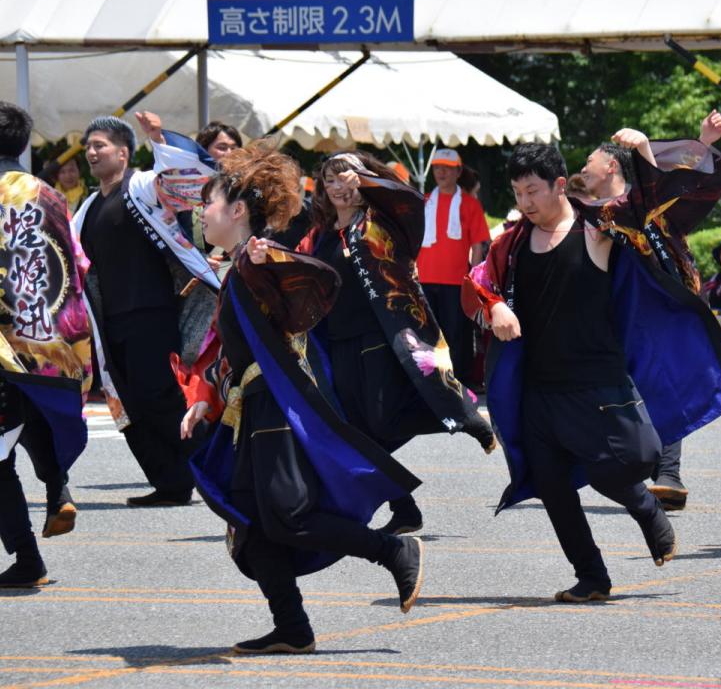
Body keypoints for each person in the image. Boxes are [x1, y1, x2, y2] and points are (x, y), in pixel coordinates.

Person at [176, 142, 424, 654]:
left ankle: (391, 549)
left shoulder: (259, 261)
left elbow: (316, 283)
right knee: (251, 524)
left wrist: (274, 259)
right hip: (250, 408)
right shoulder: (239, 267)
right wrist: (206, 398)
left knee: (287, 516)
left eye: (209, 202)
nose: (202, 212)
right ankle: (292, 628)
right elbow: (233, 348)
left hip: (276, 406)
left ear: (237, 211)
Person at [462, 140, 721, 602]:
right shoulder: (511, 243)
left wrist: (644, 150)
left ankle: (646, 507)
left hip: (599, 380)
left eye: (532, 191)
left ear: (559, 185)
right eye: (517, 193)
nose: (525, 203)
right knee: (551, 484)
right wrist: (495, 308)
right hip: (540, 386)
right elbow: (477, 282)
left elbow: (649, 206)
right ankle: (591, 576)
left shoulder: (597, 228)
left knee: (630, 461)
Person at [297, 153, 496, 536]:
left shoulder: (380, 221)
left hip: (379, 336)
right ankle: (404, 508)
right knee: (355, 432)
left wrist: (367, 183)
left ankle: (461, 414)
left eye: (345, 177)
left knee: (382, 422)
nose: (337, 187)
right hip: (337, 341)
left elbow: (409, 201)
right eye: (330, 180)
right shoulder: (319, 233)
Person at [576, 109, 721, 510]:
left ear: (612, 164)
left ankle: (668, 474)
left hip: (662, 301)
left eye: (589, 160)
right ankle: (650, 471)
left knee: (664, 381)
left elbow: (666, 189)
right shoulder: (588, 211)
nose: (583, 167)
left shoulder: (640, 201)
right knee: (628, 386)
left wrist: (694, 143)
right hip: (615, 308)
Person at [0, 102, 92, 588]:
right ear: (23, 143)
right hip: (50, 339)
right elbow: (78, 263)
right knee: (39, 416)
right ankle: (58, 487)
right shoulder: (52, 197)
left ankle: (27, 560)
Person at [74, 113, 219, 506]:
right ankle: (171, 482)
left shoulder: (143, 187)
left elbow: (189, 179)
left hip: (151, 311)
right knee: (129, 404)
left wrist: (158, 138)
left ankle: (221, 465)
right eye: (88, 147)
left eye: (99, 145)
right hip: (109, 320)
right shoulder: (87, 209)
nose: (91, 152)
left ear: (123, 153)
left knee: (160, 396)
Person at [416, 148, 491, 384]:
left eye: (447, 168)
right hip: (424, 279)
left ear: (458, 172)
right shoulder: (424, 202)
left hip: (456, 281)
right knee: (428, 336)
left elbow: (478, 245)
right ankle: (432, 385)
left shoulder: (470, 204)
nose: (441, 172)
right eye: (437, 167)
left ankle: (460, 384)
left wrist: (473, 281)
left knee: (457, 336)